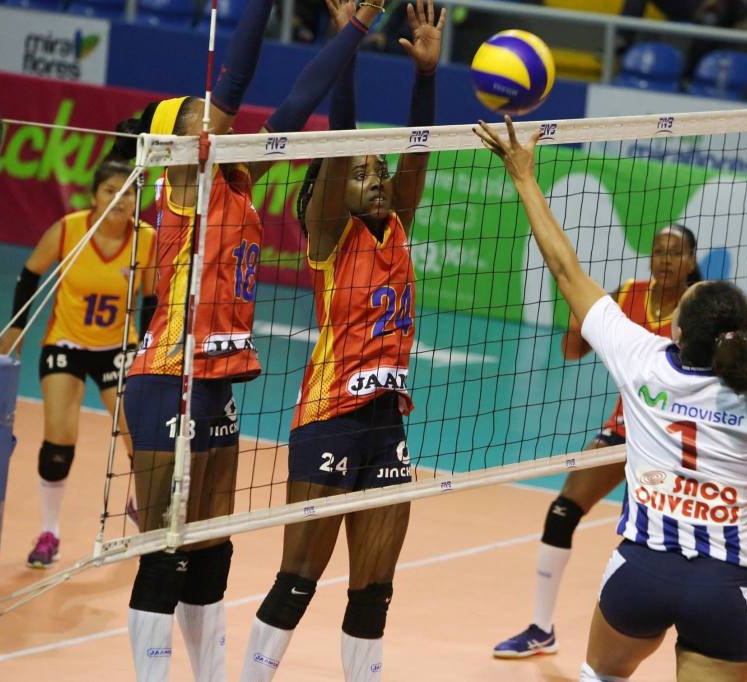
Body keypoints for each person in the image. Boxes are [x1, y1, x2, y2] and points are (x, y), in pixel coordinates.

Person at [476, 116, 747, 682]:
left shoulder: (641, 356)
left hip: (641, 572)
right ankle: (540, 625)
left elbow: (564, 267)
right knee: (570, 508)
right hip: (723, 584)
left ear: (679, 329)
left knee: (603, 671)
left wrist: (523, 174)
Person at [113, 0, 390, 680]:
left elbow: (298, 102)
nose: (216, 119)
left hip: (218, 382)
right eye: (199, 115)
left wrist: (357, 27)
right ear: (179, 140)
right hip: (168, 376)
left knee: (211, 550)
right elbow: (234, 83)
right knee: (165, 549)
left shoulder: (238, 183)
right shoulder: (185, 183)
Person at [494, 227, 747, 668]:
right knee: (563, 510)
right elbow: (571, 350)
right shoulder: (628, 294)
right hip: (627, 430)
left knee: (697, 543)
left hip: (685, 439)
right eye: (659, 251)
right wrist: (578, 319)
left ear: (691, 260)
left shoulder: (701, 311)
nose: (664, 260)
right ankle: (540, 628)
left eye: (675, 253)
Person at [239, 2, 443, 680]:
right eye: (361, 173)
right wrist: (346, 47)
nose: (377, 179)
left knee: (374, 589)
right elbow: (340, 140)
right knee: (298, 578)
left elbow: (417, 151)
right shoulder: (328, 237)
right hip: (329, 418)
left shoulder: (397, 224)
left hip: (388, 424)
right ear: (332, 190)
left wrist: (426, 76)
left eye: (378, 172)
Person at [0, 159, 155, 569]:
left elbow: (152, 298)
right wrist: (17, 328)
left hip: (117, 347)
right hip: (65, 342)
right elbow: (30, 273)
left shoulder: (146, 239)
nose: (120, 200)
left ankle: (140, 506)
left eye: (128, 192)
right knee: (58, 441)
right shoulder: (69, 229)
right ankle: (49, 532)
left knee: (140, 438)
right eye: (110, 191)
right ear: (94, 196)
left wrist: (150, 348)